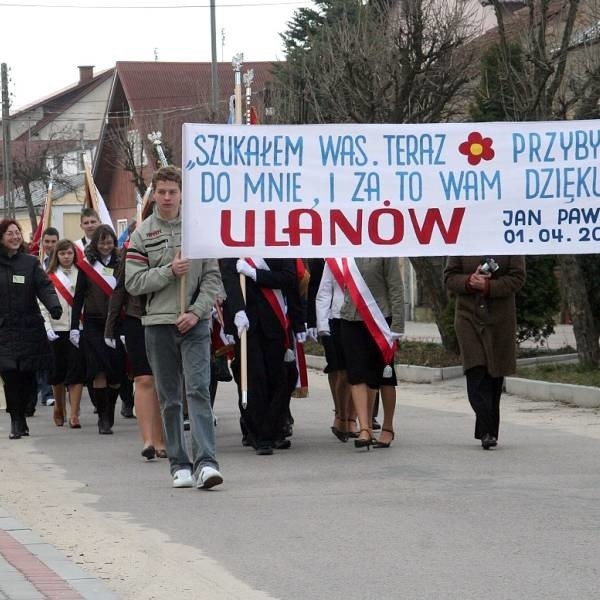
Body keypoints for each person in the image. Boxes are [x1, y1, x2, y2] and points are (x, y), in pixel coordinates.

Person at [125, 165, 224, 489]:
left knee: (198, 390)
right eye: (162, 192)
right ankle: (179, 464)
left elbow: (212, 279)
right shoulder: (142, 234)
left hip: (194, 324)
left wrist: (196, 312)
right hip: (158, 324)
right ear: (154, 194)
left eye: (173, 192)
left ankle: (206, 463)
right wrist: (169, 270)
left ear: (182, 194)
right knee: (170, 398)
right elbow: (134, 282)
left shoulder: (198, 229)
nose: (167, 197)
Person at [221, 257, 301, 455]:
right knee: (254, 378)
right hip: (247, 323)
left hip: (275, 321)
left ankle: (274, 428)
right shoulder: (235, 245)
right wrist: (237, 311)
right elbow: (230, 281)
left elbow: (289, 279)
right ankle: (259, 434)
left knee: (279, 378)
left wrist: (255, 274)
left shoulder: (278, 245)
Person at [444, 255, 526, 449]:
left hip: (500, 318)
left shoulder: (509, 241)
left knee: (494, 377)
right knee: (476, 371)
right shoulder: (462, 240)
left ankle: (488, 432)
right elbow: (449, 277)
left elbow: (518, 278)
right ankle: (487, 429)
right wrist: (469, 282)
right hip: (467, 317)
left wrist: (489, 286)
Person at [0, 219, 62, 439]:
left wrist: (54, 305)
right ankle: (16, 420)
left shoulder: (30, 263)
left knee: (27, 377)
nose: (15, 237)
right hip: (4, 330)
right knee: (10, 376)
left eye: (18, 233)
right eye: (10, 233)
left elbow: (44, 286)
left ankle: (25, 410)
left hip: (29, 328)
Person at [105, 243, 166, 460]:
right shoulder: (132, 249)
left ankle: (161, 440)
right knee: (143, 380)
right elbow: (120, 289)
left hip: (164, 318)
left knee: (162, 382)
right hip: (136, 319)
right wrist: (110, 327)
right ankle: (148, 440)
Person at [339, 258, 404, 450]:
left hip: (380, 319)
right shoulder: (346, 251)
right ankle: (365, 428)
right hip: (351, 319)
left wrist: (398, 324)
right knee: (356, 374)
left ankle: (388, 427)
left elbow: (396, 287)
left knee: (384, 376)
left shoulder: (385, 251)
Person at [71, 225, 124, 434]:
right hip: (93, 324)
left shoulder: (121, 263)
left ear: (114, 242)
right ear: (95, 244)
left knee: (117, 375)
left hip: (117, 323)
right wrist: (75, 326)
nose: (105, 246)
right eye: (101, 242)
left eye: (109, 241)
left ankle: (110, 407)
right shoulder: (87, 266)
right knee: (98, 371)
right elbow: (78, 298)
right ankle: (103, 417)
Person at [40, 239, 86, 428]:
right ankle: (59, 406)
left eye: (69, 253)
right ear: (56, 255)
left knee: (77, 372)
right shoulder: (49, 276)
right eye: (62, 253)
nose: (67, 257)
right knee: (57, 374)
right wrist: (47, 327)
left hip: (77, 329)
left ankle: (74, 414)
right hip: (56, 330)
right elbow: (42, 303)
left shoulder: (82, 274)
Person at [315, 259, 356, 441]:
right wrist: (322, 325)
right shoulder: (334, 260)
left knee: (359, 373)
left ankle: (353, 419)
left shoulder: (369, 253)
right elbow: (324, 293)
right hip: (337, 318)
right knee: (342, 373)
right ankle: (341, 414)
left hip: (363, 318)